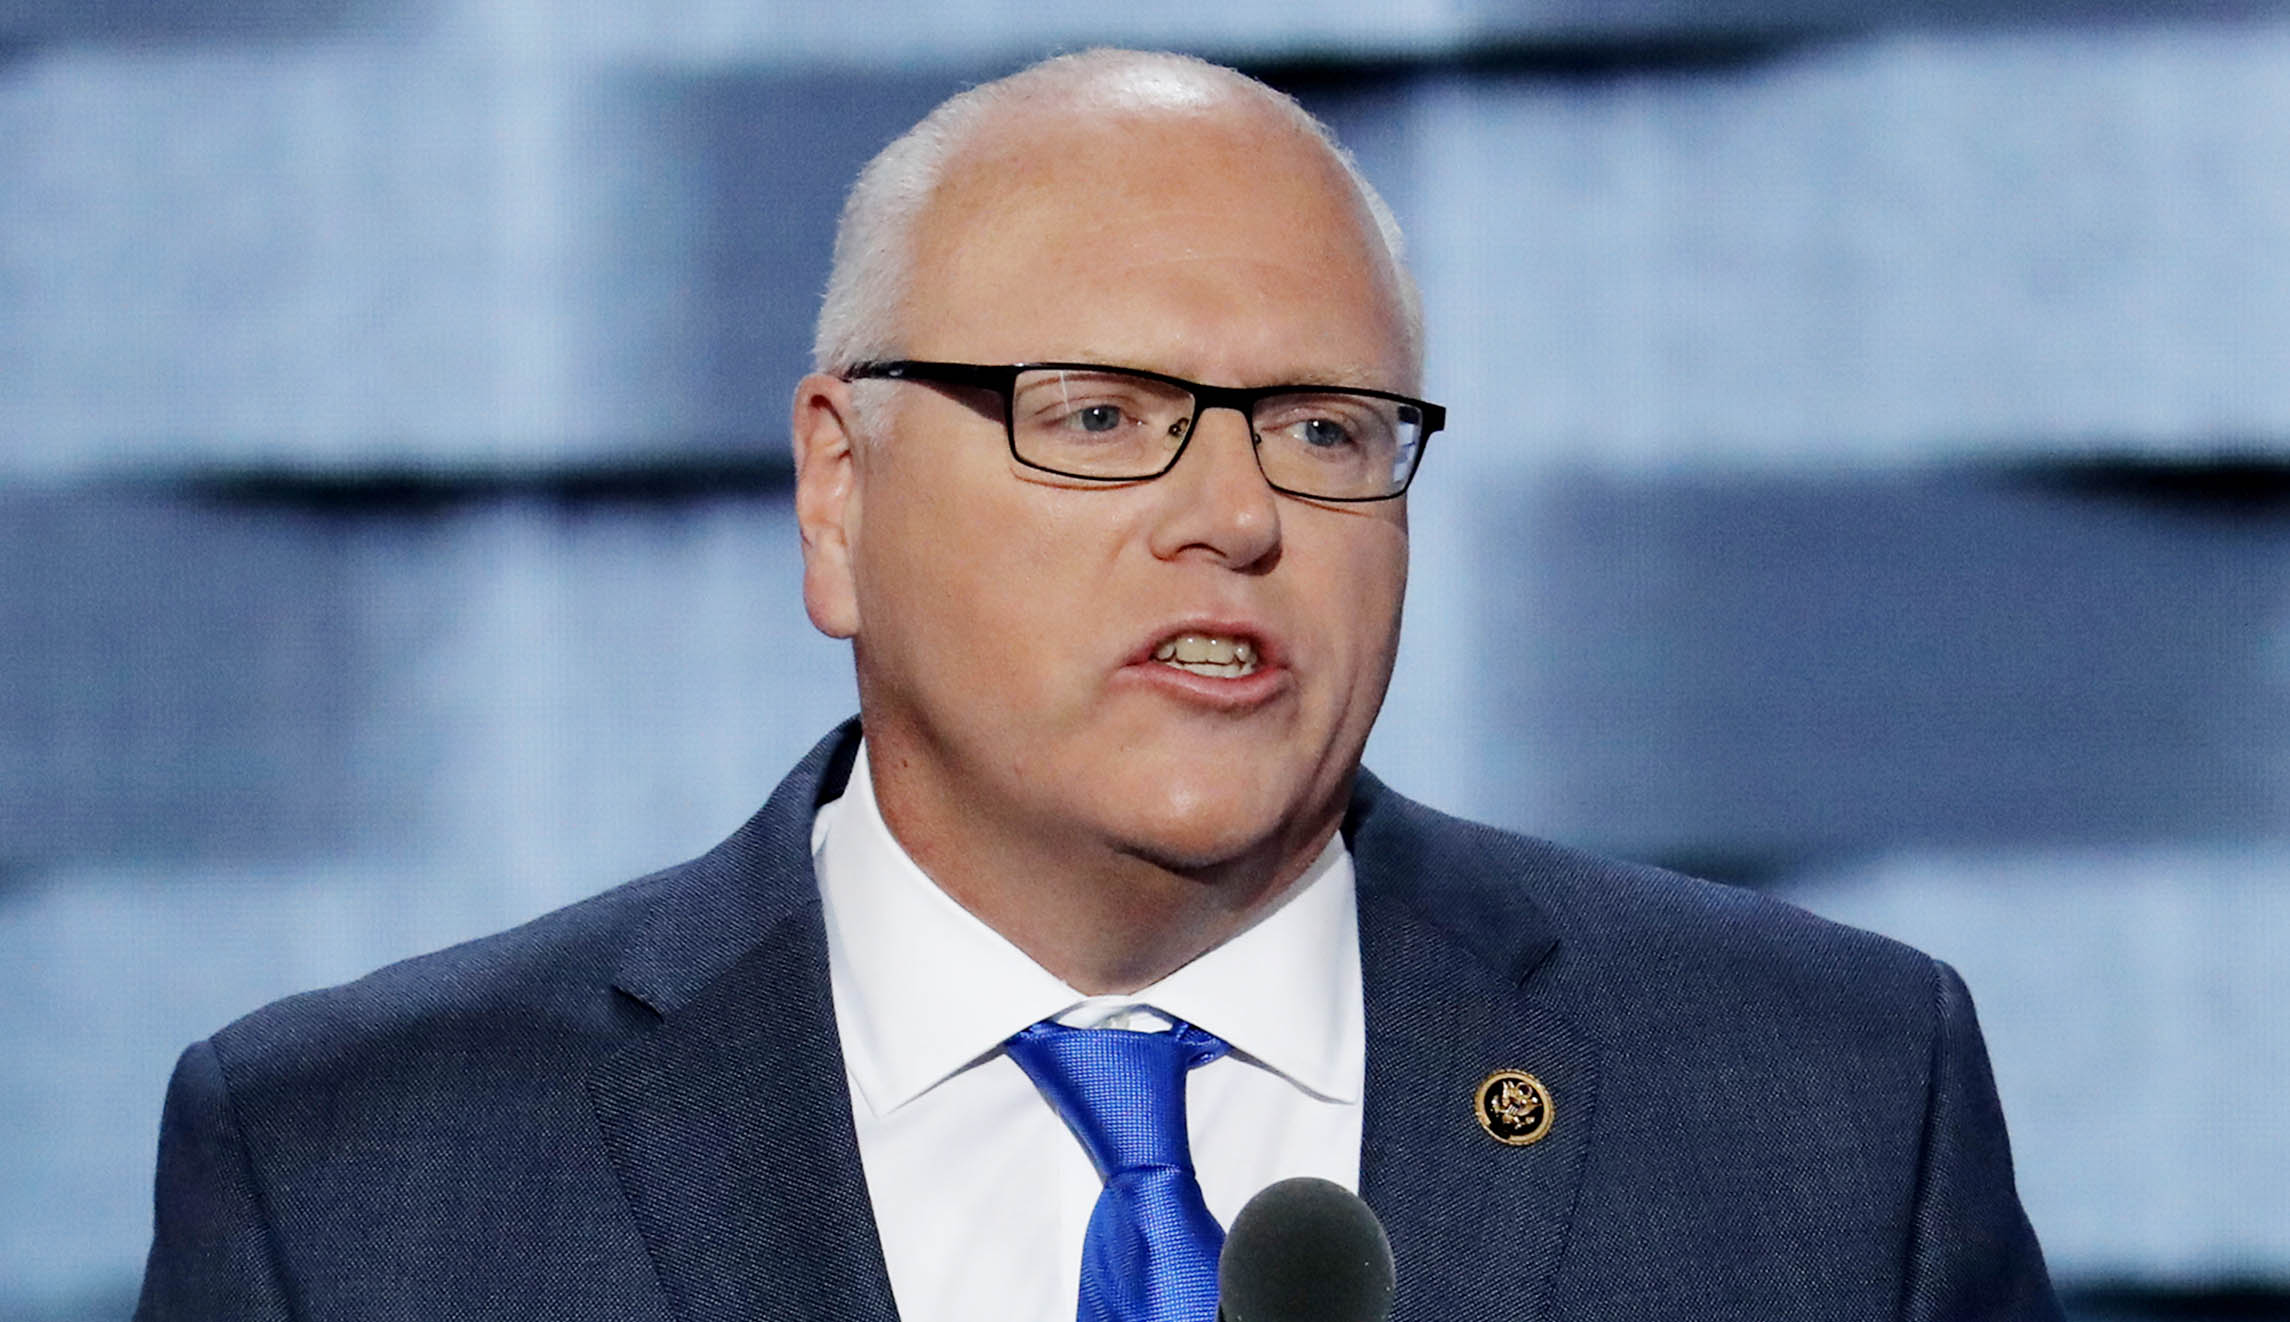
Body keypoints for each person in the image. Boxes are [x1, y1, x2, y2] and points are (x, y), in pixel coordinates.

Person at [134, 48, 2062, 1322]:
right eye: (1099, 416)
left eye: (1322, 427)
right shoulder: (354, 1177)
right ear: (838, 489)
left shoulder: (1821, 1103)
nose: (1230, 513)